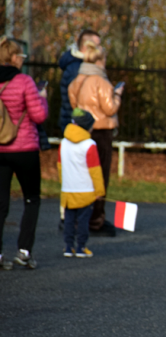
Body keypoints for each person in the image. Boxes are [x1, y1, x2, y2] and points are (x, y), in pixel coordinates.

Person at [0, 37, 49, 270]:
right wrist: (43, 99)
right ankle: (24, 251)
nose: (22, 60)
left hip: (0, 150)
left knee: (1, 202)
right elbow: (39, 116)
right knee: (32, 199)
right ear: (12, 57)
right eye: (20, 56)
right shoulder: (24, 81)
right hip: (24, 147)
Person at [68, 40, 122, 237]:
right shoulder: (101, 82)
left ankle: (78, 217)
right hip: (101, 131)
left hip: (82, 130)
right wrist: (117, 95)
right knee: (100, 176)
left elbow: (73, 102)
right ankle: (96, 219)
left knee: (82, 175)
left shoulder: (77, 80)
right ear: (100, 60)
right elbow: (109, 108)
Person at [58, 108, 105, 259]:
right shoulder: (89, 144)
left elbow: (60, 166)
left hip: (68, 189)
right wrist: (99, 191)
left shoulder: (63, 142)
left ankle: (68, 246)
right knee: (83, 220)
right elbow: (95, 170)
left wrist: (63, 182)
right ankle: (81, 247)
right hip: (85, 189)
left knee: (69, 220)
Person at [58, 29, 100, 134]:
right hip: (77, 126)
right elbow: (77, 101)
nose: (99, 49)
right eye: (97, 46)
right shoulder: (77, 69)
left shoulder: (78, 66)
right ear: (86, 46)